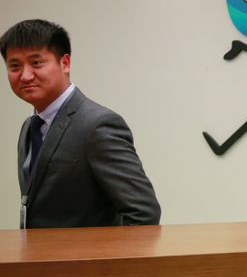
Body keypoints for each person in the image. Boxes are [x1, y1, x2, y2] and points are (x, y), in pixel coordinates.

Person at [1, 19, 160, 228]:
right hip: (38, 259)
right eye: (15, 66)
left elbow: (144, 212)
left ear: (65, 63)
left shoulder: (97, 125)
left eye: (37, 63)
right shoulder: (30, 126)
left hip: (84, 261)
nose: (26, 75)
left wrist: (107, 261)